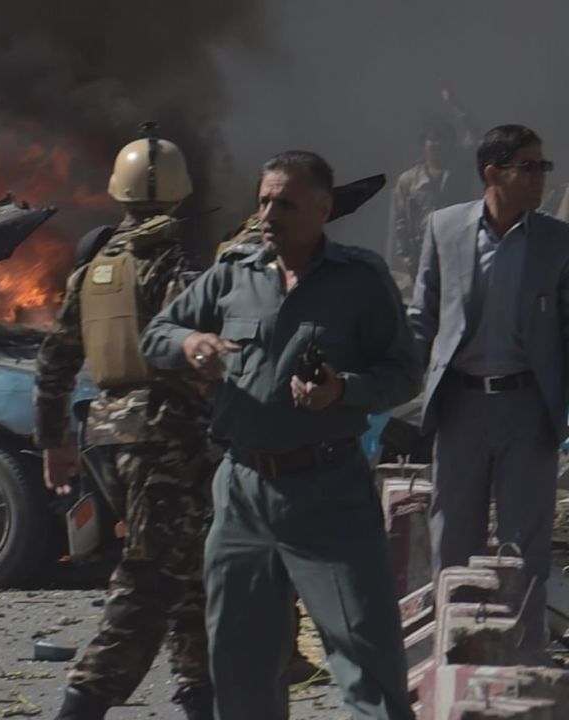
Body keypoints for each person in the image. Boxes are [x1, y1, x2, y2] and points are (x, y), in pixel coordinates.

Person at [142, 150, 418, 720]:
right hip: (242, 492)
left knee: (366, 658)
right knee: (239, 666)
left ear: (322, 209)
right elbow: (157, 333)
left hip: (328, 490)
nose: (268, 214)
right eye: (264, 200)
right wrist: (190, 345)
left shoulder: (360, 281)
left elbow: (403, 375)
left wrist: (342, 390)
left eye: (284, 203)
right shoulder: (233, 273)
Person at [35, 127, 216, 720]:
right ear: (182, 194)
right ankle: (84, 701)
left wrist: (55, 443)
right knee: (151, 583)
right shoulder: (178, 263)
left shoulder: (95, 266)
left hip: (108, 438)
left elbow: (55, 360)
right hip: (167, 441)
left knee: (190, 578)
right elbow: (199, 351)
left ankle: (203, 698)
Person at [408, 124, 569, 658]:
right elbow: (422, 317)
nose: (540, 178)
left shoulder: (556, 241)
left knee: (524, 546)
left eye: (543, 167)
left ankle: (524, 658)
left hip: (528, 405)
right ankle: (452, 656)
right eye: (529, 166)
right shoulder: (445, 228)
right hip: (461, 405)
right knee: (453, 538)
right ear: (492, 173)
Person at [387, 116, 476, 282]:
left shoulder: (461, 174)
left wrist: (455, 104)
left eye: (443, 140)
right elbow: (400, 221)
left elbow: (475, 136)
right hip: (421, 254)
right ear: (423, 143)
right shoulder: (408, 180)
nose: (437, 145)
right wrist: (404, 254)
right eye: (432, 139)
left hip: (456, 252)